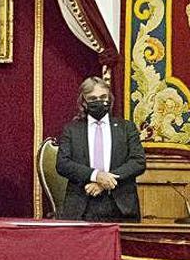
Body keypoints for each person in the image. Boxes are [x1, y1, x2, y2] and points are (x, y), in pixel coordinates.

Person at [56, 77, 146, 222]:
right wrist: (95, 175)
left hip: (121, 207)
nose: (99, 101)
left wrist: (104, 181)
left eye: (103, 97)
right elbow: (62, 164)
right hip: (81, 207)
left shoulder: (126, 128)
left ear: (109, 98)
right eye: (93, 98)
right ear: (83, 101)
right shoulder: (72, 130)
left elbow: (138, 162)